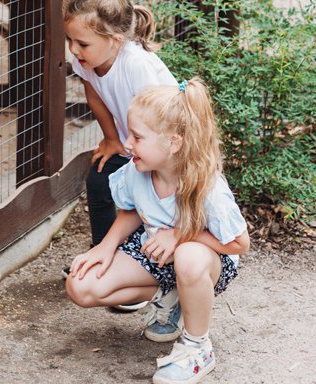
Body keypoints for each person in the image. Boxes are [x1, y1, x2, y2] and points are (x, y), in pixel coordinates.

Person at [66, 78, 250, 384]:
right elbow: (132, 210)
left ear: (173, 142)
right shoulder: (138, 169)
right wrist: (105, 246)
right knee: (81, 286)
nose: (127, 144)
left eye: (137, 137)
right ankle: (173, 296)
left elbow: (239, 244)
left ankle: (197, 347)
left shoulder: (207, 187)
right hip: (156, 250)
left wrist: (179, 236)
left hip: (207, 260)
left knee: (188, 257)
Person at [61, 0, 176, 315]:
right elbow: (94, 93)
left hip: (161, 149)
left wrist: (139, 153)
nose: (73, 49)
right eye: (69, 40)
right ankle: (102, 256)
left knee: (142, 201)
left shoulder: (136, 65)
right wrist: (111, 139)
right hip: (129, 142)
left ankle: (138, 270)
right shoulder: (86, 60)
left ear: (114, 41)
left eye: (82, 43)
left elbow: (161, 119)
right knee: (99, 179)